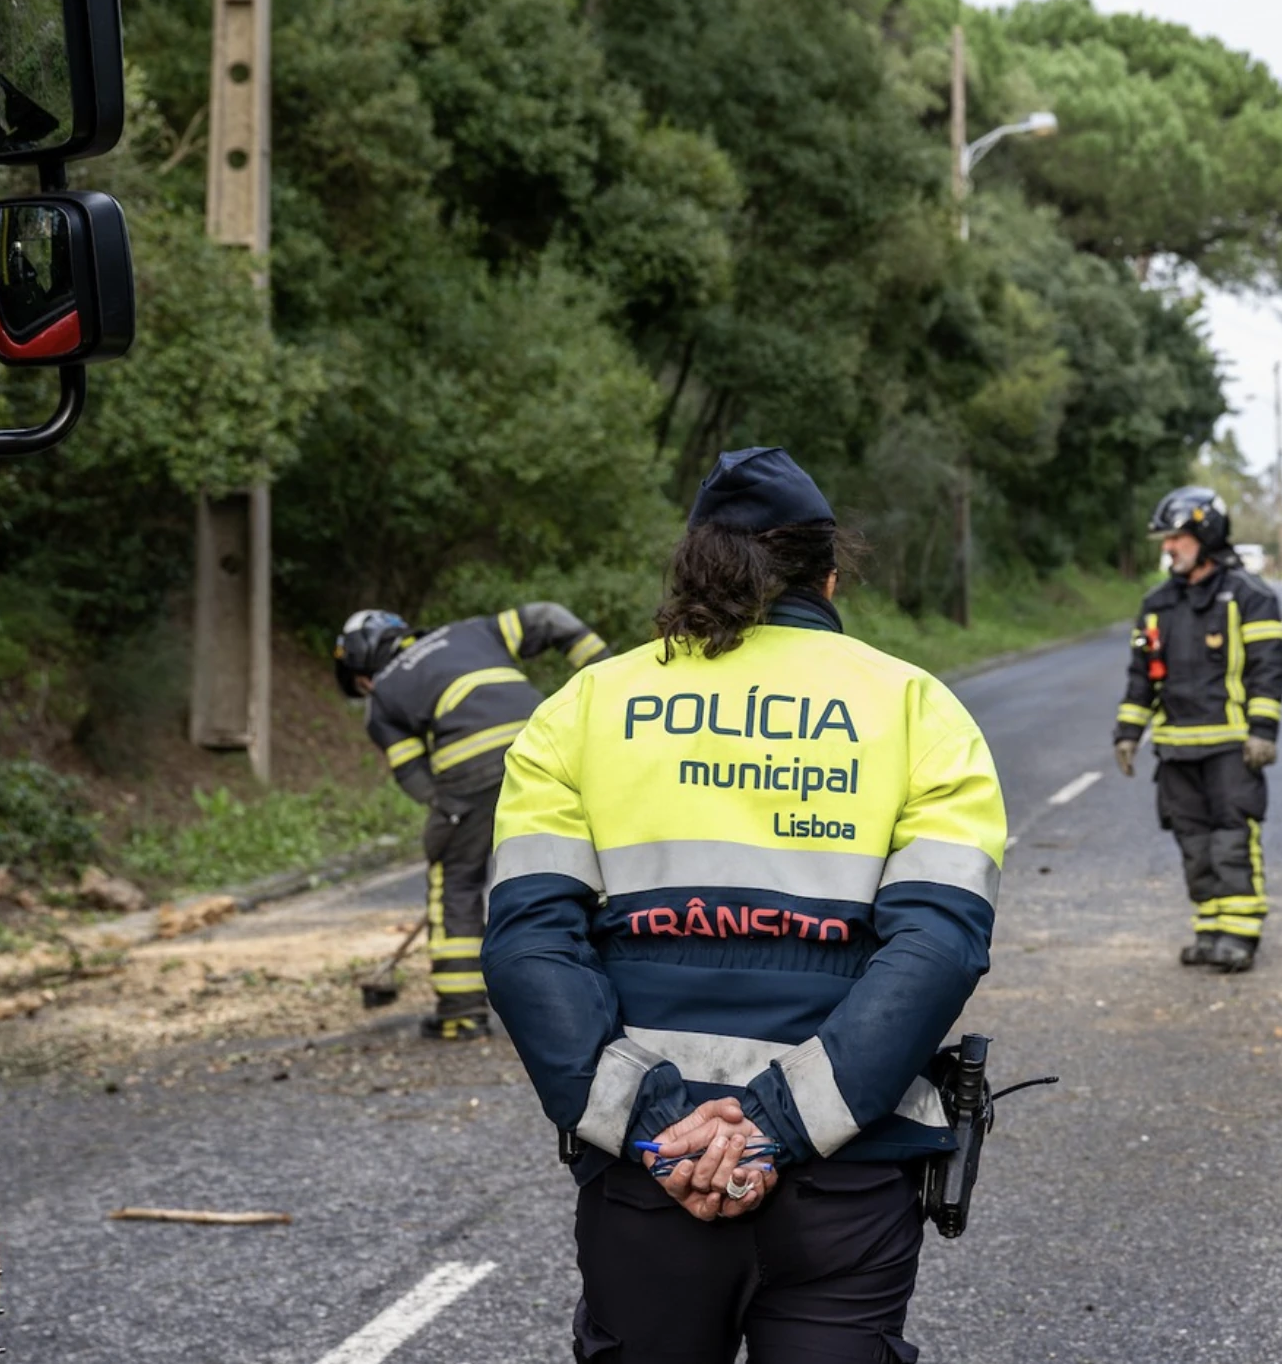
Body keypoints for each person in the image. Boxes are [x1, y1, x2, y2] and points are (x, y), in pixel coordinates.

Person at [484, 447, 1007, 1363]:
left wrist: (659, 1130)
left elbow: (529, 946)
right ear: (829, 575)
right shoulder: (918, 709)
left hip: (649, 1180)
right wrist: (773, 1128)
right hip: (845, 1180)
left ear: (696, 566)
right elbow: (937, 948)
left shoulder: (583, 708)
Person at [335, 597, 607, 1040]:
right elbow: (550, 618)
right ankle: (602, 986)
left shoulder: (381, 697)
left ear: (364, 669)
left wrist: (449, 815)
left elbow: (411, 773)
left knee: (455, 882)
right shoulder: (474, 630)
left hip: (470, 779)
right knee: (577, 866)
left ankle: (461, 1012)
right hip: (551, 753)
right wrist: (607, 678)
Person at [1113, 485, 1282, 972]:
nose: (1168, 548)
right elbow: (1140, 676)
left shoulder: (1249, 596)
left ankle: (1240, 934)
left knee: (1231, 839)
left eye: (1176, 538)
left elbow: (1267, 669)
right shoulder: (1157, 603)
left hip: (1231, 746)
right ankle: (1210, 929)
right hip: (1175, 748)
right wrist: (1128, 732)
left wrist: (1263, 730)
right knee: (1192, 844)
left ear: (1206, 535)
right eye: (1165, 540)